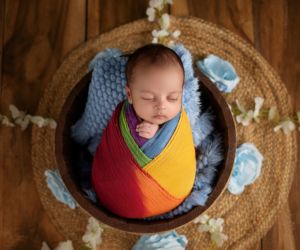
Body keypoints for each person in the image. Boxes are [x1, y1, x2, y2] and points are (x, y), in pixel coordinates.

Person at [124, 43, 185, 145]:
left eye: (172, 98)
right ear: (129, 94)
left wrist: (159, 135)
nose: (161, 106)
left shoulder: (179, 122)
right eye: (148, 98)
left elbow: (183, 145)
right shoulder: (122, 119)